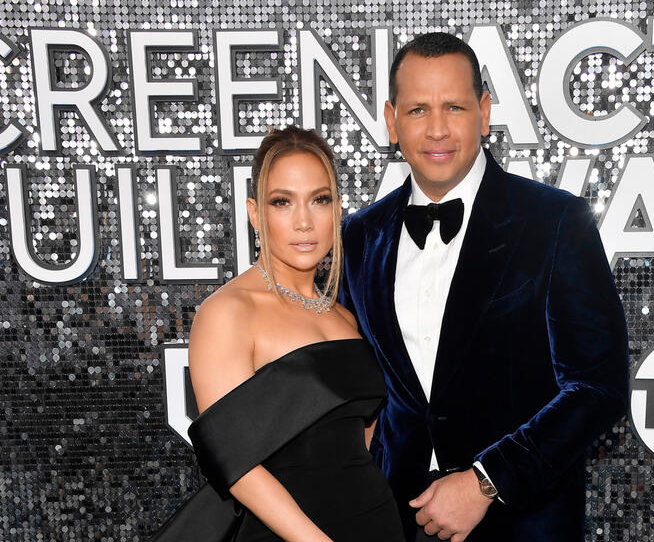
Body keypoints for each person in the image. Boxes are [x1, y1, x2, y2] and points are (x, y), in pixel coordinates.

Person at [339, 33, 629, 541]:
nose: (437, 129)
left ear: (485, 112)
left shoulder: (555, 221)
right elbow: (355, 383)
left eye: (454, 106)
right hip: (392, 521)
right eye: (417, 110)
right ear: (391, 120)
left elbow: (598, 387)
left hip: (519, 522)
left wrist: (486, 481)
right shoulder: (360, 236)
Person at [149, 126, 404, 542]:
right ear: (255, 213)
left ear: (337, 209)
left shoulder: (344, 317)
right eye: (282, 202)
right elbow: (235, 464)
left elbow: (358, 439)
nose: (304, 221)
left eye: (319, 200)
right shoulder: (228, 312)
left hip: (376, 523)